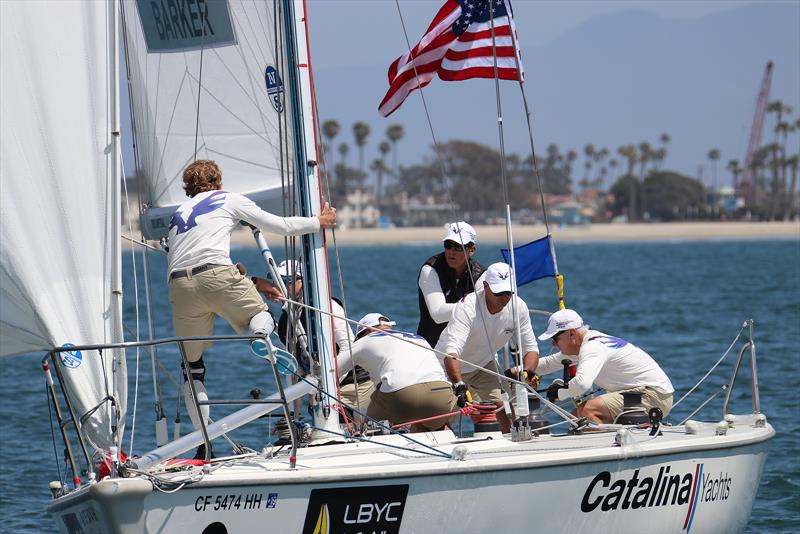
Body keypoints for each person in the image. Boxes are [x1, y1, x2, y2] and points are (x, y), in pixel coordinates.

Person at [167, 159, 336, 457]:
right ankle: (259, 337)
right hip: (216, 273)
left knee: (192, 370)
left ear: (187, 187)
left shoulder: (177, 214)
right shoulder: (229, 199)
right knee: (262, 315)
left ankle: (203, 448)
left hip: (179, 285)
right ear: (218, 182)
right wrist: (318, 222)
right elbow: (281, 226)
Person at [435, 262, 539, 433]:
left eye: (508, 292)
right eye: (499, 292)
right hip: (448, 367)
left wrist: (528, 372)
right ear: (485, 286)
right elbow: (451, 353)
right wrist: (459, 385)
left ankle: (509, 447)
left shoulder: (518, 307)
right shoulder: (467, 307)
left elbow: (531, 349)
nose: (505, 297)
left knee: (503, 409)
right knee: (442, 417)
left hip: (484, 364)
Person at [535, 309, 674, 424]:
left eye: (555, 339)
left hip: (653, 396)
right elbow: (546, 364)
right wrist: (518, 371)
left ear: (571, 333)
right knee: (581, 416)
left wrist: (559, 393)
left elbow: (582, 384)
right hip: (648, 393)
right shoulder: (585, 343)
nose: (553, 344)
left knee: (584, 412)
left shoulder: (592, 347)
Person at [272, 260, 374, 412]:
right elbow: (295, 368)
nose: (281, 286)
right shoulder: (286, 321)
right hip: (321, 389)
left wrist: (329, 384)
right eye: (277, 281)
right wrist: (293, 414)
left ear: (302, 281)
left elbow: (349, 348)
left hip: (354, 385)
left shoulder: (328, 307)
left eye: (287, 281)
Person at [335, 313, 457, 432]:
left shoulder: (364, 341)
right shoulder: (415, 337)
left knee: (371, 427)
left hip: (403, 396)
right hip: (442, 393)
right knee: (434, 423)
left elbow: (333, 369)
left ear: (365, 332)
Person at [417, 221, 486, 348]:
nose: (451, 252)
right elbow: (438, 314)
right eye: (448, 245)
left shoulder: (481, 274)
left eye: (458, 247)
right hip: (432, 348)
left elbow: (487, 310)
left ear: (472, 250)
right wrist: (472, 306)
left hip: (467, 351)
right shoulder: (430, 269)